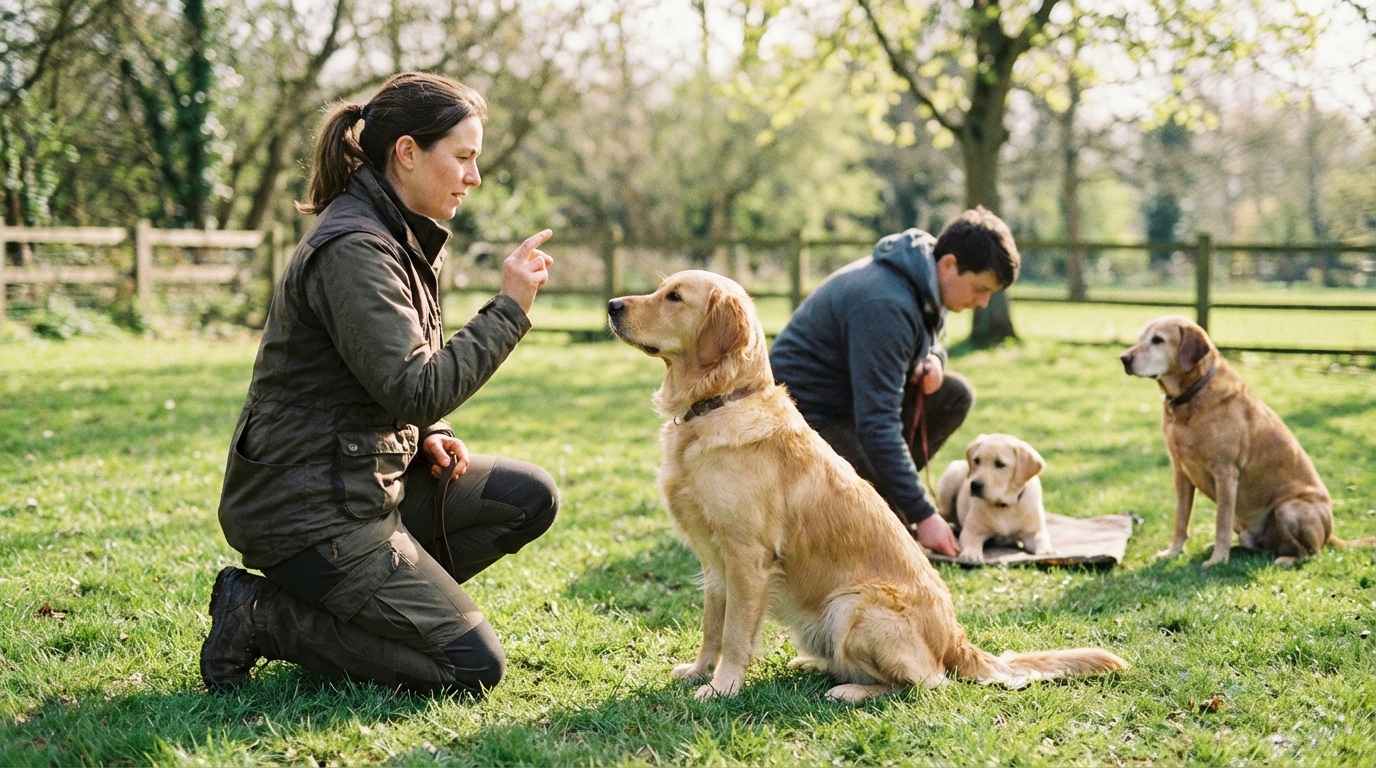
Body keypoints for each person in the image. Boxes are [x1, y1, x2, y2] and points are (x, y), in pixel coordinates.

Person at [200, 72, 559, 697]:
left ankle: (367, 605)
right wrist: (509, 309)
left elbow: (394, 375)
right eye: (464, 157)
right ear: (408, 153)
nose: (474, 177)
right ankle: (263, 617)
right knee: (472, 668)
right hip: (307, 508)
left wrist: (430, 431)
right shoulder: (356, 247)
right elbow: (414, 385)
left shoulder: (398, 232)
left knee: (528, 496)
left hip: (360, 481)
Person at [769, 207, 1020, 557]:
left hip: (851, 407)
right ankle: (861, 504)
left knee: (954, 393)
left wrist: (933, 359)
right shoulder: (885, 304)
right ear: (948, 264)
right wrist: (925, 514)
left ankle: (884, 492)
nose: (982, 302)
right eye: (980, 289)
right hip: (801, 420)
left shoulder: (925, 281)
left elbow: (931, 338)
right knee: (892, 538)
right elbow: (877, 424)